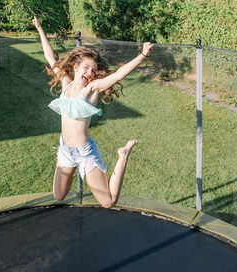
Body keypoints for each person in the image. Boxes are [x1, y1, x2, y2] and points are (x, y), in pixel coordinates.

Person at [33, 16, 154, 208]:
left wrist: (143, 55)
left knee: (108, 202)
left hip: (85, 152)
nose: (90, 73)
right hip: (65, 149)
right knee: (58, 195)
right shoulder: (66, 83)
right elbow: (50, 57)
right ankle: (80, 167)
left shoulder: (91, 89)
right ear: (75, 67)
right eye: (86, 68)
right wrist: (40, 29)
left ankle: (123, 155)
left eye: (93, 70)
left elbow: (118, 75)